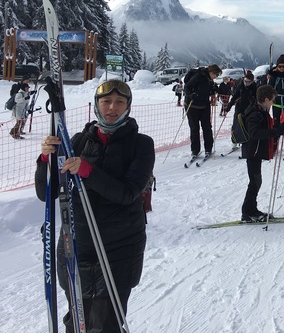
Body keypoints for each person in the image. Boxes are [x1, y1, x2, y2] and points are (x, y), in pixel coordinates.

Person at [35, 79, 155, 332]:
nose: (112, 107)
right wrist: (46, 159)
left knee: (105, 323)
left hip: (119, 247)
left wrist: (88, 171)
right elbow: (46, 193)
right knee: (76, 319)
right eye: (106, 101)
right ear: (97, 104)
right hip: (76, 244)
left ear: (128, 106)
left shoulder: (141, 144)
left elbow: (128, 193)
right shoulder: (77, 142)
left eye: (119, 102)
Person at [241, 85, 284, 222]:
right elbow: (254, 133)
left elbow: (266, 128)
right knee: (255, 182)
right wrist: (275, 132)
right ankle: (248, 212)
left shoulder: (261, 111)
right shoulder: (255, 113)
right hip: (252, 152)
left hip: (256, 151)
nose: (272, 103)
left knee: (256, 181)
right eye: (272, 100)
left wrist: (279, 128)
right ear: (266, 99)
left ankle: (250, 210)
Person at [184, 64, 222, 159]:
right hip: (192, 106)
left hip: (204, 105)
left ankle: (208, 149)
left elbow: (207, 90)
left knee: (207, 127)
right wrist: (190, 95)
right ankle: (195, 150)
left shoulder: (209, 79)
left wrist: (213, 90)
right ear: (211, 72)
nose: (216, 77)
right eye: (216, 74)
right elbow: (187, 87)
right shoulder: (198, 76)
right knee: (194, 128)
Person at [266, 54, 284, 152]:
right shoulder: (274, 76)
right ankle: (274, 145)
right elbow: (270, 88)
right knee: (276, 124)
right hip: (277, 102)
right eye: (280, 66)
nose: (282, 68)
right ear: (277, 66)